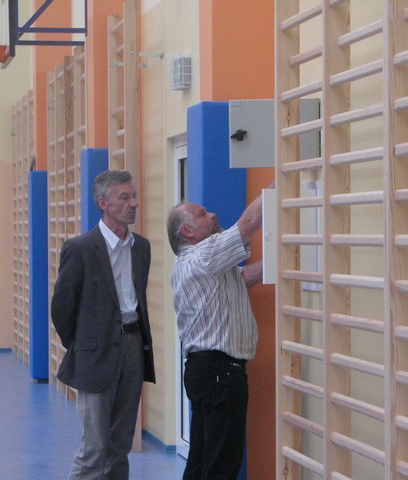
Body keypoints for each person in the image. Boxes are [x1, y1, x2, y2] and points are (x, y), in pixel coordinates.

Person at [51, 170, 155, 480]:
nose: (133, 203)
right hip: (94, 353)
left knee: (120, 444)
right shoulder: (80, 248)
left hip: (133, 347)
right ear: (103, 203)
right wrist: (84, 345)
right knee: (94, 448)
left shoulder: (141, 247)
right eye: (124, 197)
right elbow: (62, 309)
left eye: (133, 196)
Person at [166, 181, 273, 480]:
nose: (212, 215)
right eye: (202, 214)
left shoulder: (194, 265)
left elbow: (244, 276)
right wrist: (280, 178)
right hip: (219, 373)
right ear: (187, 232)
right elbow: (250, 221)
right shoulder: (203, 256)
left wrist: (286, 256)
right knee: (220, 466)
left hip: (207, 372)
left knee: (203, 461)